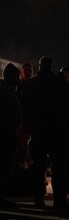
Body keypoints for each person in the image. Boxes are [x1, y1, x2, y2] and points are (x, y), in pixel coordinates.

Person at [19, 56, 69, 210]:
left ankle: (38, 198)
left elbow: (23, 108)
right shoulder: (60, 84)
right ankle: (59, 199)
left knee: (38, 166)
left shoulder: (31, 84)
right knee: (58, 166)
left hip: (38, 131)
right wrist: (67, 124)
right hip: (56, 131)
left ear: (39, 66)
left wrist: (28, 127)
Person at [0, 63, 21, 207]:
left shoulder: (7, 90)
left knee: (6, 165)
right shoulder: (4, 91)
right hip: (4, 133)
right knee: (4, 165)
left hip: (8, 132)